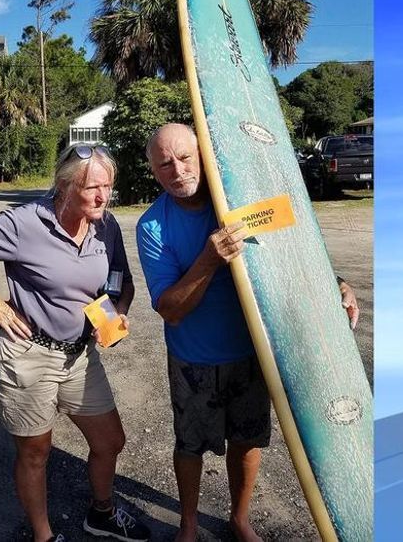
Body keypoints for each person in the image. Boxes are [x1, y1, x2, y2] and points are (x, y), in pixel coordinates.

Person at [135, 124, 359, 542]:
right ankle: (187, 525)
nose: (177, 170)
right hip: (193, 358)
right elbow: (171, 310)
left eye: (185, 158)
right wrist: (208, 260)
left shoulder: (244, 204)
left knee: (247, 440)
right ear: (153, 171)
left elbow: (293, 253)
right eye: (164, 163)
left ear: (203, 154)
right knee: (190, 445)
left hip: (254, 352)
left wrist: (337, 283)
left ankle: (239, 519)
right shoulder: (152, 226)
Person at [0, 144, 151, 542]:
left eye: (108, 186)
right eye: (92, 187)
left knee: (111, 441)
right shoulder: (26, 223)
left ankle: (101, 514)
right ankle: (43, 536)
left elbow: (120, 282)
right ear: (64, 186)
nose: (102, 196)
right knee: (36, 452)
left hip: (79, 356)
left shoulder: (104, 224)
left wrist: (117, 314)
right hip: (27, 356)